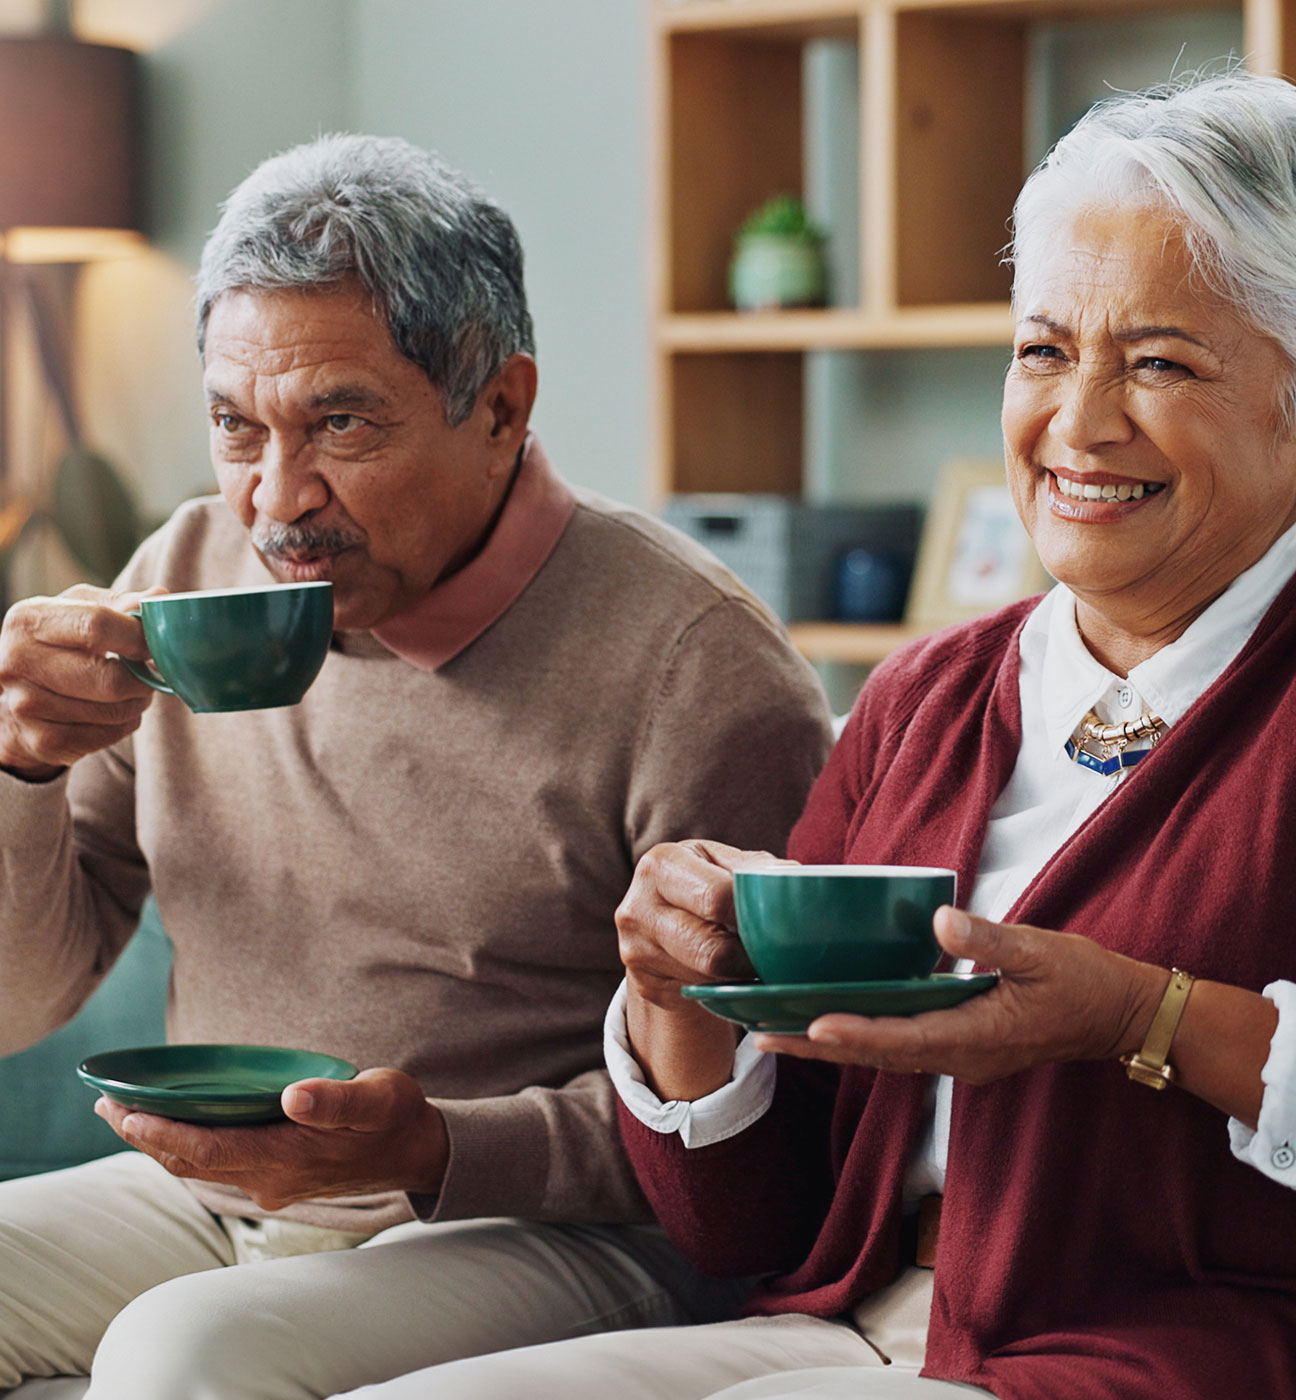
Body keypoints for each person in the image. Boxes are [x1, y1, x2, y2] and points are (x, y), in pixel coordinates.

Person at [328, 69, 1296, 1400]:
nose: (1078, 423)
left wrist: (1137, 1014)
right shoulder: (924, 699)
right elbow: (749, 1225)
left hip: (1162, 1356)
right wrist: (679, 1007)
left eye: (1161, 362)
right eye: (1044, 350)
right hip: (853, 1317)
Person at [0, 134, 833, 1399]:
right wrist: (19, 768)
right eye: (236, 426)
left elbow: (766, 1132)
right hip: (222, 1186)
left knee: (183, 1355)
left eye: (340, 422)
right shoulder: (183, 572)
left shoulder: (691, 664)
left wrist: (439, 1145)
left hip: (548, 1231)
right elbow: (21, 1000)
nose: (277, 500)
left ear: (501, 406)